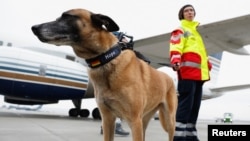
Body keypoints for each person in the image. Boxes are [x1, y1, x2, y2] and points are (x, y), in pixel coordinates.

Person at [169, 4, 212, 141]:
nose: (189, 12)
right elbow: (175, 45)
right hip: (187, 73)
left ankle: (191, 136)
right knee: (185, 106)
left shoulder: (196, 33)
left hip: (199, 76)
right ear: (182, 15)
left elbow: (201, 53)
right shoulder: (180, 30)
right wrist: (175, 60)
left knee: (195, 107)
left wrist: (207, 64)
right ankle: (179, 137)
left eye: (191, 10)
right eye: (186, 11)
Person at [100, 31, 150, 136]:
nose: (127, 42)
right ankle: (115, 126)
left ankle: (107, 126)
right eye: (124, 39)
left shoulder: (126, 54)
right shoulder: (112, 55)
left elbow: (146, 61)